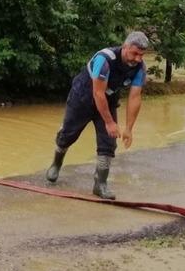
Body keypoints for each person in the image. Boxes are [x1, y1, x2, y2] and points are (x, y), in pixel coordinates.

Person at [45, 31, 149, 199]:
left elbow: (135, 96)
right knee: (68, 134)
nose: (137, 58)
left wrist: (129, 128)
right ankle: (56, 163)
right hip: (83, 97)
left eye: (141, 55)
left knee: (108, 141)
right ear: (125, 46)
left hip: (108, 100)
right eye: (135, 53)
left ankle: (100, 184)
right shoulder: (104, 59)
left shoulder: (139, 68)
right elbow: (98, 93)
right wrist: (109, 122)